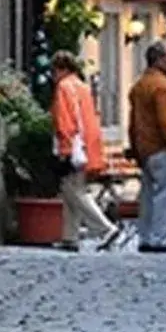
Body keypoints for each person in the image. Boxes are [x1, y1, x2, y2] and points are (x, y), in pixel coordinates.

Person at [50, 50, 115, 250]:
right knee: (71, 190)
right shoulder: (82, 87)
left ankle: (105, 228)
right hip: (86, 145)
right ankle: (70, 237)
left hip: (73, 146)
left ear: (59, 69)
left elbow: (65, 120)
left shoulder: (64, 87)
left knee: (74, 191)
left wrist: (65, 147)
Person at [127, 39, 166, 253]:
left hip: (144, 148)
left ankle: (145, 236)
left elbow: (134, 121)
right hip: (163, 147)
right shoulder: (162, 87)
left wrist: (135, 147)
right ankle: (158, 238)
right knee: (164, 195)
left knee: (148, 197)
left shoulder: (140, 85)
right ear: (159, 59)